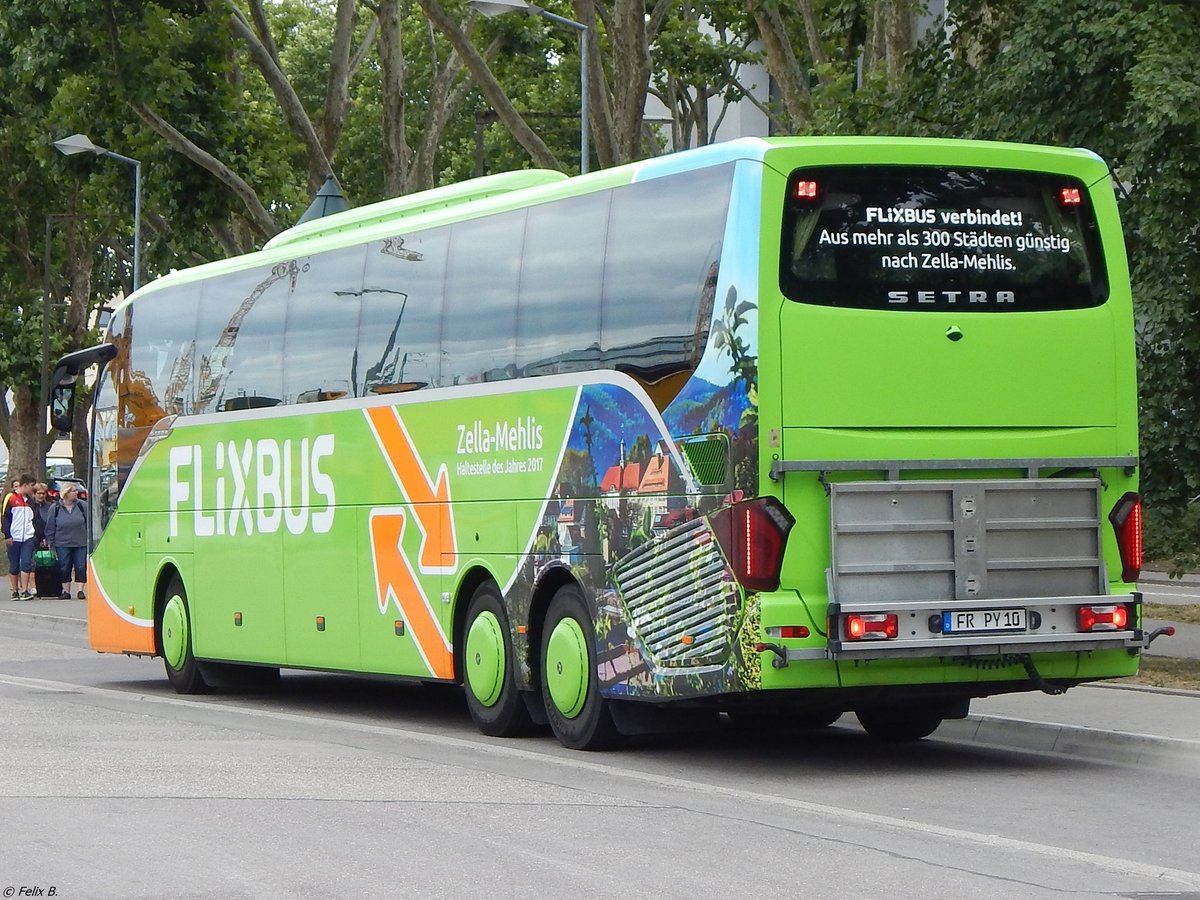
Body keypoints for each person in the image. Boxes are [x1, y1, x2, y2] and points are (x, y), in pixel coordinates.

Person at [45, 483, 88, 600]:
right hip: (62, 543)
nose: (76, 493)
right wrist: (50, 542)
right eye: (73, 491)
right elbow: (50, 526)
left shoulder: (82, 506)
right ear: (66, 493)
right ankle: (66, 591)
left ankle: (80, 590)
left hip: (80, 542)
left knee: (80, 566)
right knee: (64, 566)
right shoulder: (55, 508)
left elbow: (89, 523)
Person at [3, 475, 38, 600]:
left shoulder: (30, 501)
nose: (32, 489)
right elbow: (5, 517)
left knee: (26, 562)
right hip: (14, 536)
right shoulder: (11, 498)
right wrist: (7, 534)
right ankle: (15, 590)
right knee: (14, 565)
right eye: (31, 486)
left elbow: (34, 519)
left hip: (27, 536)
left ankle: (24, 590)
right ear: (25, 485)